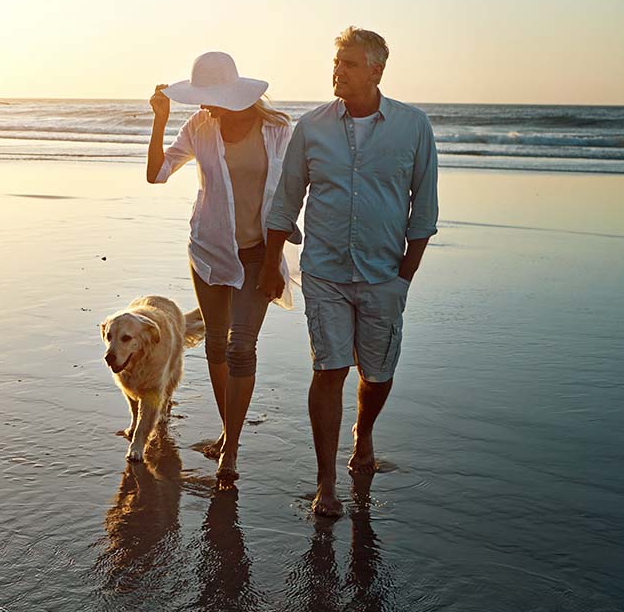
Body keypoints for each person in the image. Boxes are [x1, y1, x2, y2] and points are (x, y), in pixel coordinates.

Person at [259, 27, 439, 517]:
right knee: (329, 368)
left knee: (377, 375)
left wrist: (404, 279)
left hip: (384, 275)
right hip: (324, 272)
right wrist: (272, 262)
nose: (338, 71)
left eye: (350, 64)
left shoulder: (413, 127)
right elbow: (286, 201)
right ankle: (325, 482)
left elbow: (423, 212)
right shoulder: (312, 127)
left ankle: (364, 435)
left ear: (377, 70)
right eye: (336, 62)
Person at [146, 51, 298, 490]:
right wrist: (161, 119)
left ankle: (229, 450)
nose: (202, 105)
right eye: (199, 98)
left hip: (260, 254)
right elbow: (158, 174)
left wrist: (274, 262)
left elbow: (290, 198)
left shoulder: (277, 132)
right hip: (210, 250)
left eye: (208, 97)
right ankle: (228, 432)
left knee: (240, 348)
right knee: (215, 343)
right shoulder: (199, 128)